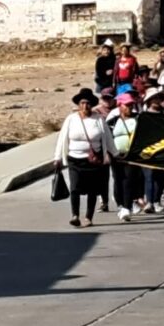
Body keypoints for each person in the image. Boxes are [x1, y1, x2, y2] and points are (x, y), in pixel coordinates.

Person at [54, 88, 115, 228]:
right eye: (82, 103)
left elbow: (108, 138)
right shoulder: (71, 119)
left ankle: (88, 217)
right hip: (75, 159)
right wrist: (57, 157)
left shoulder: (98, 119)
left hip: (94, 161)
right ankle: (75, 215)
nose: (85, 106)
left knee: (92, 190)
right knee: (75, 188)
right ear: (78, 104)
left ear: (92, 104)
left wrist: (115, 154)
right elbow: (62, 139)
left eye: (87, 103)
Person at [108, 92, 142, 221]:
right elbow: (108, 137)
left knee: (129, 179)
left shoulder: (138, 119)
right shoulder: (113, 121)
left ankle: (127, 207)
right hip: (116, 155)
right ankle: (120, 204)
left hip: (132, 155)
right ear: (120, 106)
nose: (129, 107)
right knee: (118, 179)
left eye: (131, 105)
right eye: (127, 105)